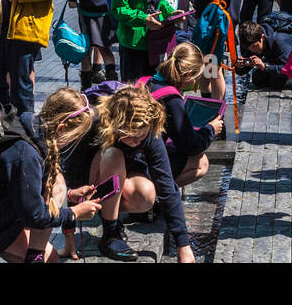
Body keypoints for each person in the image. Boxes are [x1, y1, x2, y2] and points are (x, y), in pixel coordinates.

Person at [0, 88, 101, 264]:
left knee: (57, 185)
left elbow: (23, 186)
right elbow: (34, 215)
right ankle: (32, 257)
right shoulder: (27, 154)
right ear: (61, 128)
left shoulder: (31, 127)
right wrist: (74, 213)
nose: (73, 142)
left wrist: (70, 194)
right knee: (51, 260)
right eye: (73, 137)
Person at [66, 85, 195, 262]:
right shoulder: (93, 125)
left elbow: (166, 185)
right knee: (114, 154)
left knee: (147, 193)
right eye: (130, 136)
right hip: (91, 185)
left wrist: (183, 245)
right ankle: (110, 235)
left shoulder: (149, 132)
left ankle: (115, 216)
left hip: (121, 180)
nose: (136, 142)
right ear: (116, 125)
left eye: (140, 138)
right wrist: (68, 237)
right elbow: (67, 182)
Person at [144, 43, 224, 187]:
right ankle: (160, 194)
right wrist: (211, 129)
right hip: (148, 163)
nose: (195, 82)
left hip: (135, 155)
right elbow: (190, 146)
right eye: (196, 77)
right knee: (201, 162)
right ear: (187, 75)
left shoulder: (149, 82)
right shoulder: (172, 100)